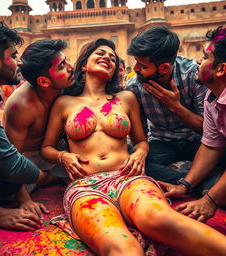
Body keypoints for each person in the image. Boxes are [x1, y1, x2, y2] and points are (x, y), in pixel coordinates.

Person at [41, 38, 226, 256]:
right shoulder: (64, 103)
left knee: (161, 220)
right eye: (100, 53)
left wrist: (139, 152)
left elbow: (141, 141)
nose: (107, 58)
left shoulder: (126, 98)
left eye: (112, 57)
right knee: (122, 248)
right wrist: (63, 157)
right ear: (83, 64)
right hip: (85, 186)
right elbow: (47, 148)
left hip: (128, 178)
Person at [0, 19, 48, 237]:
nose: (19, 63)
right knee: (14, 172)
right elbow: (9, 162)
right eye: (13, 56)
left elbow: (1, 162)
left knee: (7, 178)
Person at [159, 26, 226, 222]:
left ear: (221, 69)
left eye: (205, 57)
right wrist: (184, 185)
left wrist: (210, 200)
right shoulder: (212, 97)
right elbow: (211, 146)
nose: (198, 60)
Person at [126, 25, 208, 184]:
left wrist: (175, 106)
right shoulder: (134, 87)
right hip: (161, 142)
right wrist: (140, 153)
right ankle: (197, 182)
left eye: (142, 66)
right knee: (134, 164)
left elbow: (208, 129)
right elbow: (140, 137)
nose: (135, 69)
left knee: (219, 152)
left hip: (196, 141)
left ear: (164, 68)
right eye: (136, 63)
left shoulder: (193, 75)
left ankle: (192, 179)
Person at [3, 39, 74, 217]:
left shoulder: (68, 86)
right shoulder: (20, 105)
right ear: (44, 81)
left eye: (66, 61)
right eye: (62, 66)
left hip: (57, 151)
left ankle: (45, 178)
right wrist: (25, 199)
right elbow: (12, 158)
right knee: (7, 193)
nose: (71, 68)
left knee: (91, 167)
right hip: (27, 158)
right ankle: (45, 178)